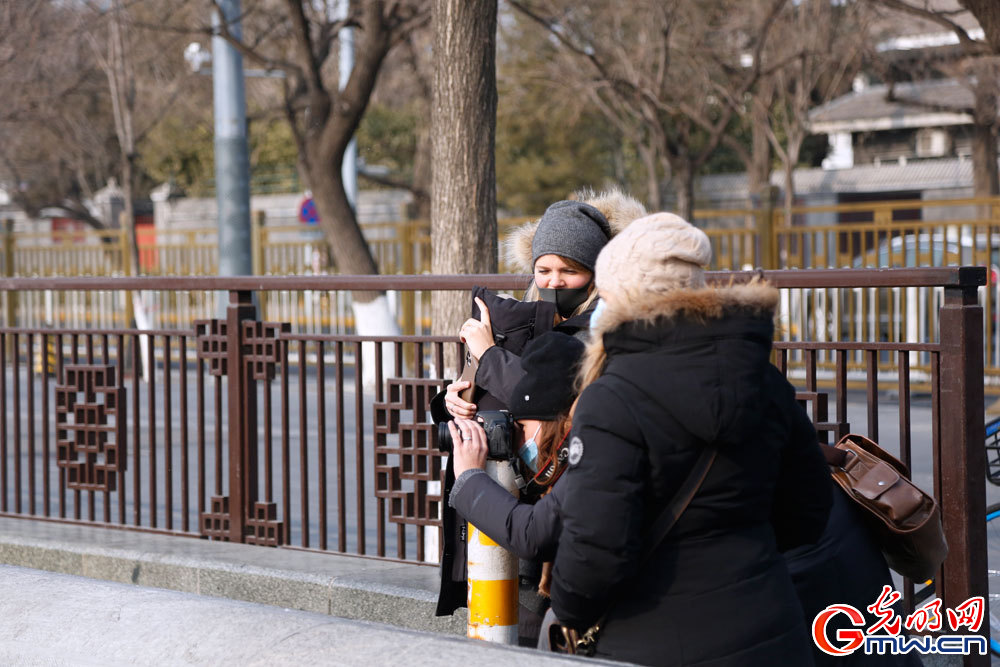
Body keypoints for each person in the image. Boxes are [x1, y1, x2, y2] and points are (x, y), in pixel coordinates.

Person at [548, 212, 834, 665]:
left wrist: (567, 613)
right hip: (772, 627)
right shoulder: (764, 379)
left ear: (624, 298)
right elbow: (810, 511)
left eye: (603, 295)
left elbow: (595, 550)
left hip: (648, 638)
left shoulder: (612, 398)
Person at [434, 188, 646, 422]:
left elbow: (544, 398)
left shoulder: (606, 327)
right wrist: (452, 401)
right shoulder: (523, 317)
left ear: (595, 275)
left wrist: (488, 354)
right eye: (543, 271)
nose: (554, 282)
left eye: (569, 270)